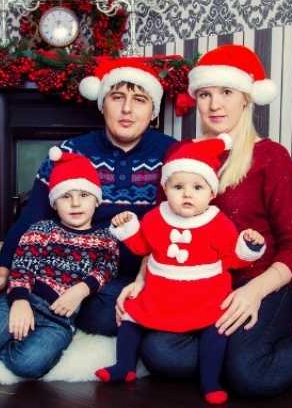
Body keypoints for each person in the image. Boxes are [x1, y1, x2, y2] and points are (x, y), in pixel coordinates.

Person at [116, 44, 292, 397]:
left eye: (226, 92)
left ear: (246, 98)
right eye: (205, 94)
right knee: (160, 353)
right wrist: (142, 279)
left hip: (258, 284)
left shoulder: (271, 157)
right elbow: (160, 225)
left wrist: (253, 292)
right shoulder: (179, 154)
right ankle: (234, 353)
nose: (214, 104)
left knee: (250, 377)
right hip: (194, 289)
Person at [0, 55, 177, 364]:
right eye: (117, 97)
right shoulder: (70, 152)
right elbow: (32, 218)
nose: (127, 109)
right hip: (71, 272)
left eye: (139, 100)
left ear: (153, 110)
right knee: (101, 313)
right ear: (103, 104)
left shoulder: (171, 153)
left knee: (121, 313)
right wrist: (2, 272)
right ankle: (7, 308)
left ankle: (46, 318)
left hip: (137, 275)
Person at [95, 134, 266, 405]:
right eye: (178, 187)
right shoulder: (156, 217)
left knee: (216, 329)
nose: (187, 193)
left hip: (205, 296)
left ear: (211, 193)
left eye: (197, 187)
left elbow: (234, 259)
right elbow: (142, 247)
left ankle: (210, 382)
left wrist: (249, 246)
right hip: (160, 293)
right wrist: (128, 228)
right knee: (130, 316)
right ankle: (124, 366)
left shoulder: (218, 223)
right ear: (166, 188)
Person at [0, 148, 119, 378]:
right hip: (23, 299)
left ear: (97, 200)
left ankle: (3, 345)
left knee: (29, 364)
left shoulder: (104, 239)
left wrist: (81, 289)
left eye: (84, 195)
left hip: (59, 320)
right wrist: (20, 300)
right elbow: (22, 266)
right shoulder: (42, 229)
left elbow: (107, 267)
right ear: (54, 203)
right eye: (66, 196)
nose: (75, 203)